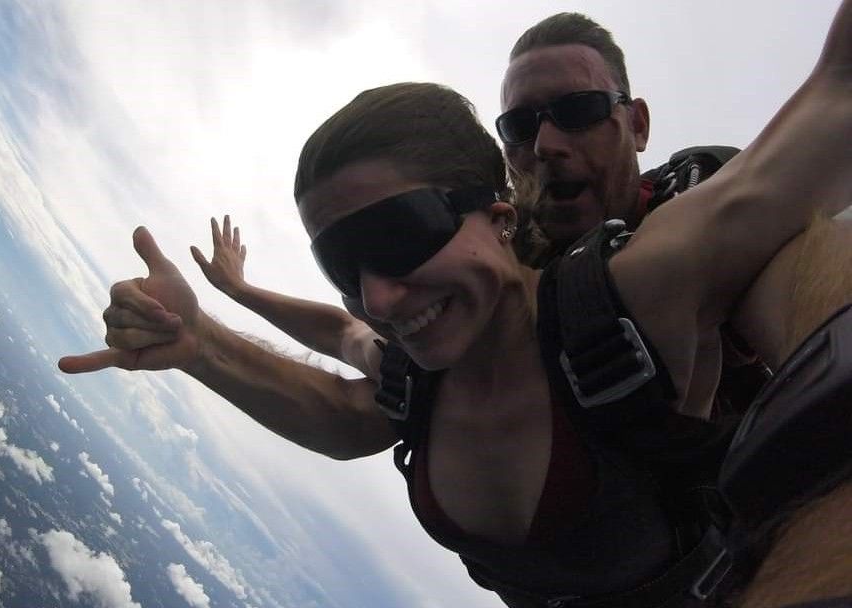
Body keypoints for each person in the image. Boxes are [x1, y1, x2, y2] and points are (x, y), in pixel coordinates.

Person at [60, 3, 852, 605]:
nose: (378, 294)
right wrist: (202, 336)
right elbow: (348, 383)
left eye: (400, 235)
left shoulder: (640, 291)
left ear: (495, 215)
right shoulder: (428, 358)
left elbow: (833, 100)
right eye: (342, 264)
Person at [189, 12, 769, 418]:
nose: (545, 144)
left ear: (637, 124)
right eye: (518, 126)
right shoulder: (487, 278)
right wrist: (237, 297)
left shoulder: (709, 215)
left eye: (578, 110)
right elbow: (356, 341)